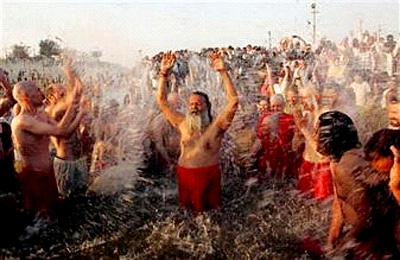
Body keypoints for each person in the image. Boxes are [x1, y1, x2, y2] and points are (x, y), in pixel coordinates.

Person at [156, 51, 238, 212]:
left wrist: (223, 72)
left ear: (207, 106)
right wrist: (163, 73)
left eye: (199, 104)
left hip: (207, 176)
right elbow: (161, 101)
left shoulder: (216, 128)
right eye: (191, 104)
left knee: (210, 216)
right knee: (186, 214)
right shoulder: (182, 123)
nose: (194, 106)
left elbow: (233, 101)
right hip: (184, 175)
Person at [316, 111, 400, 258]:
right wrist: (334, 234)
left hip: (370, 245)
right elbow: (339, 201)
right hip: (360, 240)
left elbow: (367, 218)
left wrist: (341, 250)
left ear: (331, 137)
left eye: (317, 132)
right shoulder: (337, 161)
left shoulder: (347, 166)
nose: (314, 136)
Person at [11, 79, 84, 218]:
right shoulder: (22, 121)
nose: (41, 93)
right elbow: (60, 129)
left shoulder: (42, 116)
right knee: (40, 219)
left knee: (54, 216)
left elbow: (66, 132)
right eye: (37, 90)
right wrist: (74, 105)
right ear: (27, 96)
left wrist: (80, 113)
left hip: (49, 174)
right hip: (34, 176)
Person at [47, 60, 89, 198]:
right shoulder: (54, 111)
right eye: (62, 93)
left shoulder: (66, 109)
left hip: (77, 159)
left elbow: (77, 91)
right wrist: (70, 72)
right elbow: (66, 134)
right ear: (52, 96)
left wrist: (72, 73)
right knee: (66, 200)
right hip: (65, 161)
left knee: (82, 198)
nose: (66, 92)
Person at [256, 94, 295, 180]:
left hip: (284, 159)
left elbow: (294, 140)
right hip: (267, 159)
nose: (275, 109)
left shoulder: (290, 119)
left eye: (278, 106)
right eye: (273, 106)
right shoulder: (264, 118)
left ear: (284, 105)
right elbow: (259, 137)